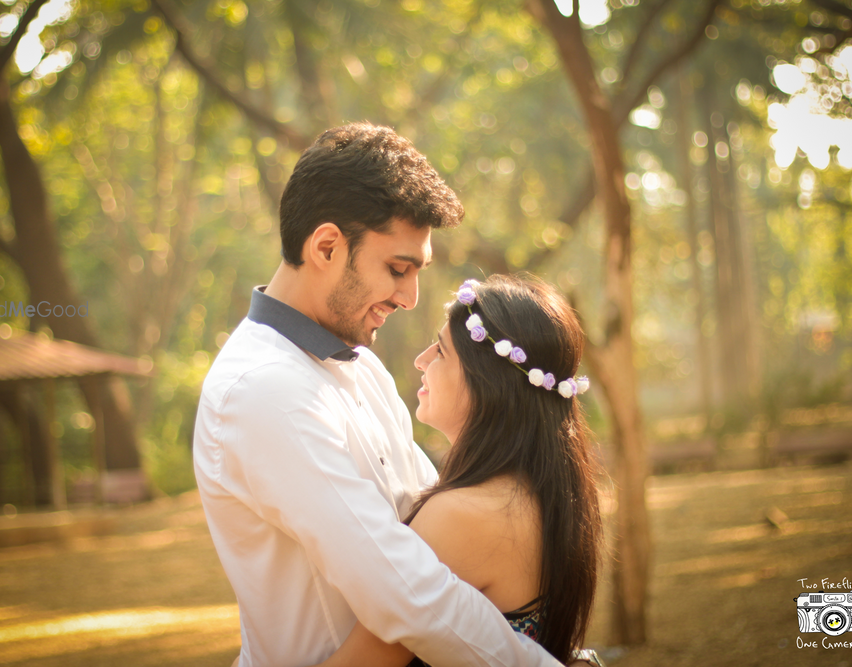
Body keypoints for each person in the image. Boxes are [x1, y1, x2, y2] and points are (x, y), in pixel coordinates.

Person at [193, 122, 562, 666]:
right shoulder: (263, 391)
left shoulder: (363, 367)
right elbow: (407, 592)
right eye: (397, 269)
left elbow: (430, 528)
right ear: (325, 246)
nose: (411, 297)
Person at [312, 275, 604, 667]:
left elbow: (366, 660)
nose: (422, 359)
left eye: (442, 351)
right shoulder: (537, 493)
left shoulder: (467, 514)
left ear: (488, 382)